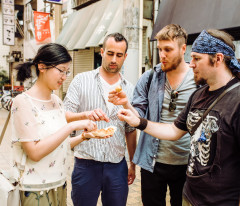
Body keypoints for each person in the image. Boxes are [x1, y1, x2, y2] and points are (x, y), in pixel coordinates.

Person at [117, 29, 240, 205]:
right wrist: (139, 122)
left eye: (196, 58)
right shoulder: (199, 95)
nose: (191, 64)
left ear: (218, 59)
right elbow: (174, 130)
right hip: (190, 196)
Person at [109, 24, 197, 206]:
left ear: (183, 49)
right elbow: (138, 118)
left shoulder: (198, 80)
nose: (162, 55)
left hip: (187, 164)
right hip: (152, 161)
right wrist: (126, 103)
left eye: (168, 49)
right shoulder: (149, 77)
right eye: (159, 49)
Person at [11, 43, 99, 206]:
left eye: (67, 72)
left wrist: (84, 136)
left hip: (59, 184)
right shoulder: (23, 102)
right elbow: (35, 152)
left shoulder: (57, 101)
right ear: (42, 67)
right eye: (61, 70)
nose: (64, 77)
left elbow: (59, 146)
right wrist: (72, 126)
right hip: (36, 189)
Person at [63, 33, 137, 206]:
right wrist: (85, 115)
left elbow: (130, 130)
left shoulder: (130, 90)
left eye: (119, 55)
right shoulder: (81, 80)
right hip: (85, 164)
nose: (114, 59)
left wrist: (132, 164)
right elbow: (64, 116)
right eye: (110, 53)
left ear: (125, 57)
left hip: (117, 166)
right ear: (102, 52)